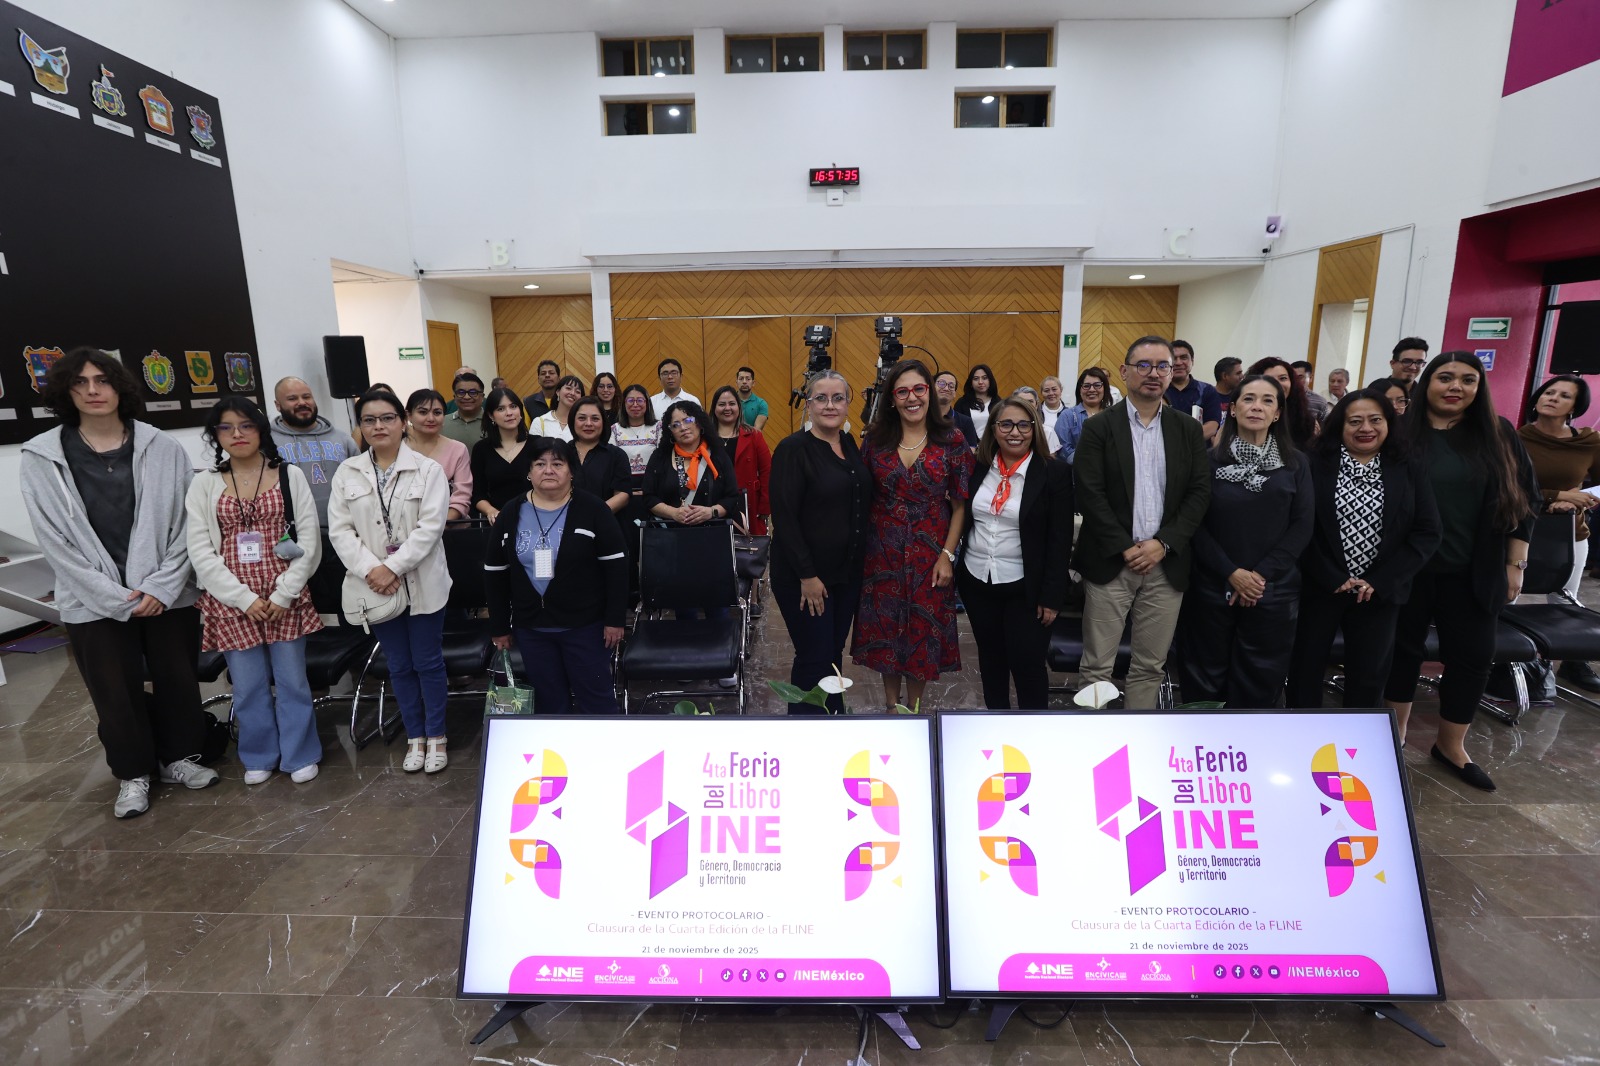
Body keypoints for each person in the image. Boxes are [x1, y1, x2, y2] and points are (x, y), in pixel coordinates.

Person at [20, 348, 218, 818]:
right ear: (66, 391)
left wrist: (161, 589)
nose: (93, 390)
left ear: (119, 387)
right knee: (114, 690)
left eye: (103, 380)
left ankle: (181, 759)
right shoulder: (42, 457)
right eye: (81, 382)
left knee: (177, 681)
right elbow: (56, 542)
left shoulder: (162, 447)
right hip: (92, 602)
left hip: (167, 595)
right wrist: (115, 599)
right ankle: (133, 774)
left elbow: (186, 527)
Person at [1384, 352, 1537, 792]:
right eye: (1445, 377)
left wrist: (1515, 562)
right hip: (1408, 568)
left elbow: (1525, 500)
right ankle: (1392, 741)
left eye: (1468, 380)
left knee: (1472, 656)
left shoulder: (1497, 433)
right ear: (1427, 382)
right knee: (1401, 652)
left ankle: (1451, 746)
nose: (1456, 387)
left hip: (1474, 568)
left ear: (1479, 387)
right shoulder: (1400, 433)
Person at [186, 397, 324, 785]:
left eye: (245, 425)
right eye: (226, 427)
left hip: (285, 595)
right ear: (216, 436)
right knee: (246, 687)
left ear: (261, 429)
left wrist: (283, 594)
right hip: (232, 599)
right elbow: (200, 549)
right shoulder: (205, 483)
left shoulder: (289, 475)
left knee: (293, 681)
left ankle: (300, 755)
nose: (237, 434)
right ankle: (259, 754)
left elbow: (310, 541)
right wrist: (244, 599)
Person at [1073, 337, 1211, 709]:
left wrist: (1162, 543)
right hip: (1110, 562)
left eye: (1162, 366)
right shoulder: (1099, 427)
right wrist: (1125, 546)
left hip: (1166, 565)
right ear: (1124, 372)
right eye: (1144, 365)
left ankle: (1139, 742)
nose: (1154, 373)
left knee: (1150, 665)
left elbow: (1199, 494)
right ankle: (1094, 745)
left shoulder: (1187, 429)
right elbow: (1089, 492)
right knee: (1097, 667)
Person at [1286, 390, 1440, 710]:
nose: (1365, 428)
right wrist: (1331, 575)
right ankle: (1301, 741)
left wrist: (1380, 581)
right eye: (1354, 421)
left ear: (1389, 423)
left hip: (1380, 592)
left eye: (1375, 420)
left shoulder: (1408, 465)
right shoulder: (1313, 463)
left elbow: (1427, 532)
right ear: (1339, 426)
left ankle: (1356, 750)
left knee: (1369, 676)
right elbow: (1299, 526)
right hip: (1322, 586)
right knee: (1306, 669)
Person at [329, 389, 453, 773]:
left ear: (404, 422)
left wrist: (392, 567)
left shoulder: (428, 470)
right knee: (399, 665)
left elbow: (430, 528)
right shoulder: (348, 472)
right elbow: (340, 531)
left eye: (386, 418)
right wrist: (372, 570)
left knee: (428, 662)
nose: (378, 426)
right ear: (360, 427)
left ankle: (437, 737)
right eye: (369, 420)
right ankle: (414, 736)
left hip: (423, 582)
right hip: (376, 588)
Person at [1174, 375, 1313, 707]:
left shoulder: (1296, 464)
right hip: (1212, 585)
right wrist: (1232, 573)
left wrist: (1258, 576)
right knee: (1204, 676)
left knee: (1261, 678)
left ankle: (1250, 751)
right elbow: (1195, 524)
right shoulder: (1208, 461)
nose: (1257, 406)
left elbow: (1302, 526)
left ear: (1278, 413)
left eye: (1268, 400)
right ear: (1233, 409)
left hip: (1273, 590)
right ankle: (1205, 748)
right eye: (1249, 399)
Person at [852, 359, 974, 710]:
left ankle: (914, 707)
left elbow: (960, 506)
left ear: (930, 393)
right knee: (887, 630)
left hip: (931, 552)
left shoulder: (951, 439)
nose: (911, 398)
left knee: (922, 631)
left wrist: (947, 556)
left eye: (919, 389)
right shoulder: (875, 440)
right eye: (902, 391)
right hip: (882, 551)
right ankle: (892, 706)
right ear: (892, 398)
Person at [486, 437, 628, 714]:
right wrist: (499, 626)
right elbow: (495, 572)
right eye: (540, 464)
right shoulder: (511, 512)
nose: (548, 470)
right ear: (529, 472)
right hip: (532, 628)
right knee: (550, 703)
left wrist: (615, 619)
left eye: (557, 463)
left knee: (596, 700)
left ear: (571, 471)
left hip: (585, 627)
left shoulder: (593, 509)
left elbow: (617, 567)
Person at [957, 397, 1074, 709]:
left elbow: (1059, 540)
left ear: (1034, 429)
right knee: (991, 661)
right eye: (1006, 424)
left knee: (1027, 664)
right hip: (978, 580)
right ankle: (997, 731)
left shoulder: (1054, 473)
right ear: (993, 429)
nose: (1015, 432)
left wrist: (1052, 596)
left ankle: (1031, 736)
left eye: (1024, 425)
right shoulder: (977, 467)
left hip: (1026, 587)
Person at [769, 371, 872, 715]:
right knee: (814, 656)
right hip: (806, 578)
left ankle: (834, 721)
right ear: (808, 405)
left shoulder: (850, 444)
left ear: (848, 403)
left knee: (831, 654)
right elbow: (784, 518)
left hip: (845, 574)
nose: (830, 405)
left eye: (838, 398)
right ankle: (807, 731)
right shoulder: (792, 449)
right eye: (821, 398)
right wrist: (808, 576)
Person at [1518, 375, 1600, 690]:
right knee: (1505, 599)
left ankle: (1572, 663)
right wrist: (1558, 496)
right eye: (1549, 392)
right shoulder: (1516, 438)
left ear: (1575, 407)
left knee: (1565, 599)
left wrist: (1583, 499)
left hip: (1568, 533)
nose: (1552, 398)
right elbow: (1507, 488)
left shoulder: (1588, 442)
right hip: (1517, 530)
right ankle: (1503, 666)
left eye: (1564, 395)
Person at [271, 375, 356, 526]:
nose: (302, 403)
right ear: (278, 405)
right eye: (292, 398)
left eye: (306, 397)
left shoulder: (342, 439)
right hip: (293, 531)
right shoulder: (268, 442)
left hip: (343, 527)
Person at [643, 400, 740, 529]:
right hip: (669, 536)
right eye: (676, 425)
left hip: (713, 533)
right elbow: (649, 497)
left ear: (699, 423)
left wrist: (711, 512)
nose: (683, 428)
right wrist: (673, 513)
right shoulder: (660, 457)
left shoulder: (718, 455)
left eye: (688, 421)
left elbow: (731, 497)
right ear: (670, 431)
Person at [711, 385, 773, 534]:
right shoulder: (705, 438)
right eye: (721, 404)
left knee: (748, 553)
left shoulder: (754, 436)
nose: (727, 408)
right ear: (714, 408)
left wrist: (765, 505)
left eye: (732, 404)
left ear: (739, 407)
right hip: (713, 504)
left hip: (747, 503)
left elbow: (767, 471)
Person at [405, 389, 473, 520]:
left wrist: (437, 525)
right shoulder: (397, 449)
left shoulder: (457, 449)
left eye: (437, 413)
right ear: (409, 415)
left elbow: (462, 495)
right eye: (422, 412)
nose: (431, 418)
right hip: (405, 530)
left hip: (449, 527)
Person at [471, 387, 534, 523]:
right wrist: (490, 511)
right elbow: (477, 494)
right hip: (498, 521)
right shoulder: (481, 449)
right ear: (490, 415)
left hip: (536, 518)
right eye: (501, 409)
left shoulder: (538, 444)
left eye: (513, 406)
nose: (509, 413)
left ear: (520, 411)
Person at [570, 396, 632, 516]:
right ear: (572, 421)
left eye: (595, 419)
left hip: (605, 523)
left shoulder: (616, 455)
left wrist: (594, 515)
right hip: (564, 524)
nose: (588, 423)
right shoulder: (561, 453)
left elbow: (622, 495)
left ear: (603, 422)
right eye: (582, 418)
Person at [1248, 357, 1318, 448]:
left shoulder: (1305, 420)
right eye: (1269, 379)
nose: (1278, 384)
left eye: (1283, 378)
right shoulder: (1248, 414)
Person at [1053, 366, 1113, 464]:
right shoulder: (1068, 416)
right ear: (1080, 390)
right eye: (1086, 386)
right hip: (1076, 474)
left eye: (1097, 385)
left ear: (1105, 388)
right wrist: (1090, 462)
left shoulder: (1113, 416)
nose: (1092, 389)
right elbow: (1063, 449)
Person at [1168, 340, 1222, 442]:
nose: (1178, 363)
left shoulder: (1207, 390)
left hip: (1198, 452)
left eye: (1184, 357)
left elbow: (1212, 426)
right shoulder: (1158, 391)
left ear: (1192, 361)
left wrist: (1183, 442)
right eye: (1174, 358)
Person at [952, 364, 1000, 450]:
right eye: (976, 379)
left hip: (994, 450)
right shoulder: (962, 403)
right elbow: (956, 430)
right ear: (971, 382)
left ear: (990, 381)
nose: (980, 382)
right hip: (968, 450)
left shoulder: (999, 403)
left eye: (984, 378)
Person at [529, 374, 584, 440]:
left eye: (577, 391)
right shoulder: (540, 422)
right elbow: (533, 449)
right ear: (558, 392)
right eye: (568, 388)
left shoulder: (582, 424)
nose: (572, 393)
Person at [442, 371, 487, 446]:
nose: (467, 397)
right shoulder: (442, 423)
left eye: (473, 392)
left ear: (482, 397)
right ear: (454, 397)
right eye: (461, 392)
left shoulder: (494, 422)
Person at [1038, 376, 1069, 454]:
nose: (1051, 393)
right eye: (1046, 390)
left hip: (1064, 457)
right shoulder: (1035, 413)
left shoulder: (1070, 414)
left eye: (1054, 389)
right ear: (1041, 393)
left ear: (1061, 390)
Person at [736, 366, 769, 432]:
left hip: (751, 440)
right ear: (736, 382)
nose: (744, 382)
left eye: (748, 379)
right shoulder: (729, 402)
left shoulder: (761, 404)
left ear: (753, 383)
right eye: (741, 378)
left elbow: (756, 430)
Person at [1214, 356, 1244, 421]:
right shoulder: (1207, 396)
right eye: (1238, 373)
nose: (1242, 376)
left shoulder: (1240, 397)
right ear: (1225, 376)